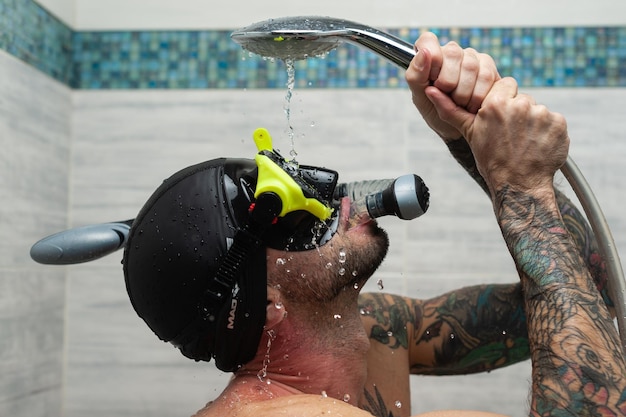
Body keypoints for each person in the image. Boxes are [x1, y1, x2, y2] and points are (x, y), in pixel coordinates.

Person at [121, 32, 625, 417]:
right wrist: (523, 190)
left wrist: (475, 147)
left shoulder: (376, 330)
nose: (330, 201)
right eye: (290, 215)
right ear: (268, 302)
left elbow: (588, 301)